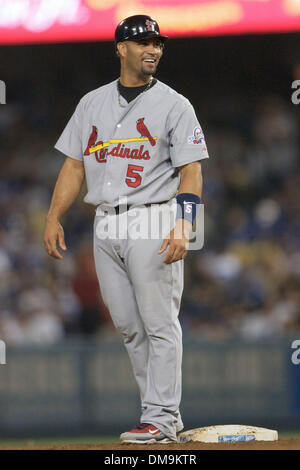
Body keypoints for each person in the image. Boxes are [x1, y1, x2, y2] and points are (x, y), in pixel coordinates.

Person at [44, 14, 209, 444]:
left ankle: (161, 414)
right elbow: (73, 165)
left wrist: (184, 225)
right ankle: (159, 418)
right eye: (143, 42)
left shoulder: (176, 104)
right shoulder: (92, 103)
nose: (153, 49)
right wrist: (52, 215)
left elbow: (191, 171)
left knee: (159, 323)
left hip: (154, 215)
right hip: (105, 223)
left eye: (158, 43)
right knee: (130, 327)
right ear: (120, 48)